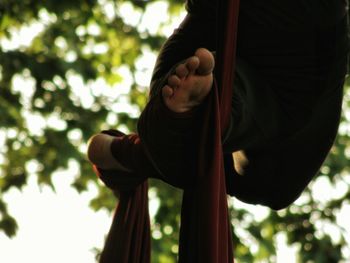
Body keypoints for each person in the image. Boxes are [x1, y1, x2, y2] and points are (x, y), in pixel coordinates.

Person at [88, 1, 349, 210]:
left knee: (190, 99)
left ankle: (204, 101)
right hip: (298, 46)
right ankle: (146, 145)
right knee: (273, 184)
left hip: (215, 21)